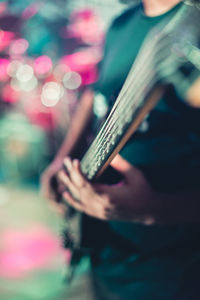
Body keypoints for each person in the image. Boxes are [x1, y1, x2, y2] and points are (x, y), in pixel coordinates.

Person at [41, 0, 200, 299]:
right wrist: (63, 157)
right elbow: (96, 92)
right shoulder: (122, 24)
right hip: (104, 254)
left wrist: (154, 210)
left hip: (171, 272)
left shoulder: (192, 26)